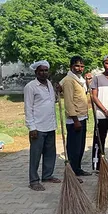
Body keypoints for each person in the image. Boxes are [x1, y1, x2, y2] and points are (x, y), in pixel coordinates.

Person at [24, 60, 61, 191]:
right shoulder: (31, 86)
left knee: (50, 153)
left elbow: (52, 101)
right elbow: (28, 108)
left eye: (46, 70)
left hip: (50, 125)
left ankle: (47, 175)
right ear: (36, 72)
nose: (44, 73)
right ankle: (33, 180)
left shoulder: (49, 84)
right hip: (37, 127)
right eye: (41, 70)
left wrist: (58, 92)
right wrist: (31, 127)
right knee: (36, 154)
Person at [61, 56, 91, 176]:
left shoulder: (80, 80)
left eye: (82, 66)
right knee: (74, 148)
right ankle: (72, 172)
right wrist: (75, 120)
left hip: (82, 117)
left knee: (80, 147)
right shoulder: (69, 81)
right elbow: (68, 102)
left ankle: (78, 169)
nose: (80, 68)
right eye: (77, 66)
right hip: (75, 120)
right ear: (71, 67)